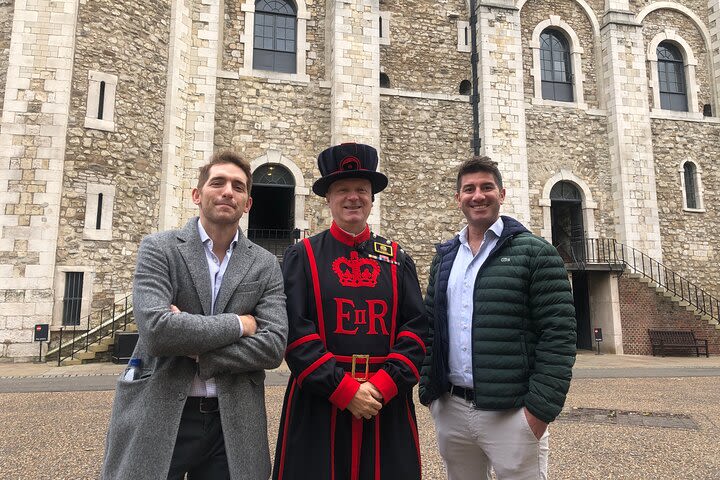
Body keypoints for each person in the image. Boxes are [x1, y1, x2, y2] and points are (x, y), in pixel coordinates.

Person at [101, 151, 288, 480]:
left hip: (233, 421)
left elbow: (272, 347)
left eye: (238, 186)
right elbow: (158, 330)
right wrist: (240, 325)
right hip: (159, 410)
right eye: (218, 182)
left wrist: (198, 348)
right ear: (197, 195)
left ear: (248, 204)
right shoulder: (160, 249)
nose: (228, 191)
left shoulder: (265, 264)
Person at [273, 143, 428, 480]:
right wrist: (344, 391)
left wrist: (383, 386)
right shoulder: (303, 257)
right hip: (319, 402)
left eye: (361, 189)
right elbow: (295, 330)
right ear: (328, 199)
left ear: (372, 198)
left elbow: (416, 330)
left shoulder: (398, 259)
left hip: (384, 403)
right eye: (342, 189)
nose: (353, 197)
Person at [419, 156, 576, 480]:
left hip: (512, 413)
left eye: (486, 187)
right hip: (452, 409)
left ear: (501, 194)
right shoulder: (445, 258)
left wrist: (538, 412)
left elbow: (558, 334)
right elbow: (432, 328)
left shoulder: (536, 253)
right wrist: (431, 392)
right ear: (458, 198)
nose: (478, 195)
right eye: (469, 189)